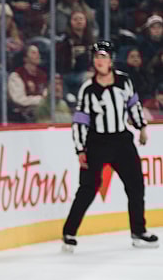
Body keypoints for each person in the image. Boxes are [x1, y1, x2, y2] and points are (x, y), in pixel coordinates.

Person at [62, 41, 159, 251]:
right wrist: (80, 149)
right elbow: (80, 121)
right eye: (96, 57)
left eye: (103, 56)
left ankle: (138, 231)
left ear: (111, 60)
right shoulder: (88, 89)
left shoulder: (124, 81)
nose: (99, 61)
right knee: (88, 188)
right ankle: (69, 232)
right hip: (96, 143)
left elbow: (133, 105)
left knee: (135, 185)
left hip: (121, 141)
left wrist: (141, 127)